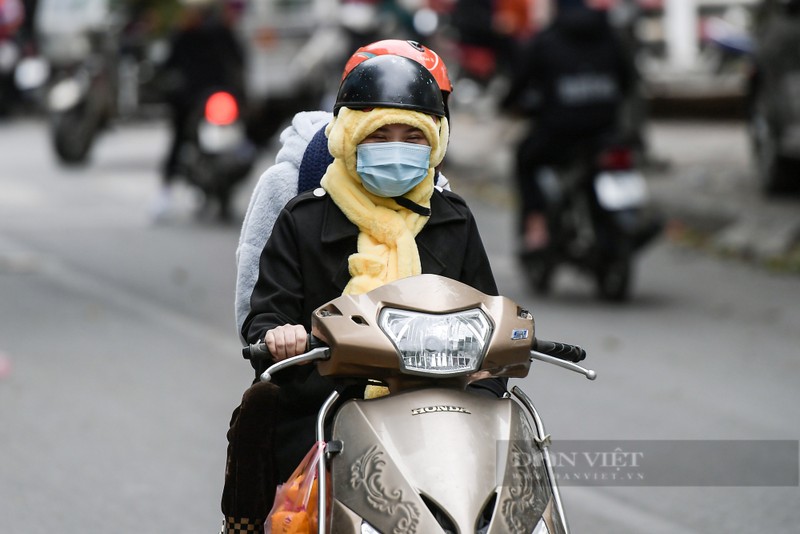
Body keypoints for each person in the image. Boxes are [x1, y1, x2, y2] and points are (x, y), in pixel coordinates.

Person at [221, 54, 504, 533]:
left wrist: (489, 368)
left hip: (442, 413)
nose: (397, 148)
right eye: (379, 134)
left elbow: (487, 315)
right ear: (349, 137)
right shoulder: (301, 218)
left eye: (413, 135)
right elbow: (264, 315)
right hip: (324, 411)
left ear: (436, 141)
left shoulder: (453, 218)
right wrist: (281, 335)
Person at [234, 39, 454, 342]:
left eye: (428, 107)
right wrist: (279, 342)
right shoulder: (291, 185)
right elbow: (255, 300)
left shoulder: (442, 198)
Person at [500, 0, 637, 256]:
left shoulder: (545, 41)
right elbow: (628, 80)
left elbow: (519, 84)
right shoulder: (610, 36)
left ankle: (537, 227)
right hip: (606, 131)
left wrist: (508, 104)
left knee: (525, 159)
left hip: (560, 136)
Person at [152, 0, 245, 221]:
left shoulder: (220, 30)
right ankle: (165, 192)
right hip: (190, 101)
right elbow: (168, 67)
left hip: (218, 99)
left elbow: (239, 61)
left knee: (241, 140)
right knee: (179, 137)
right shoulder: (184, 33)